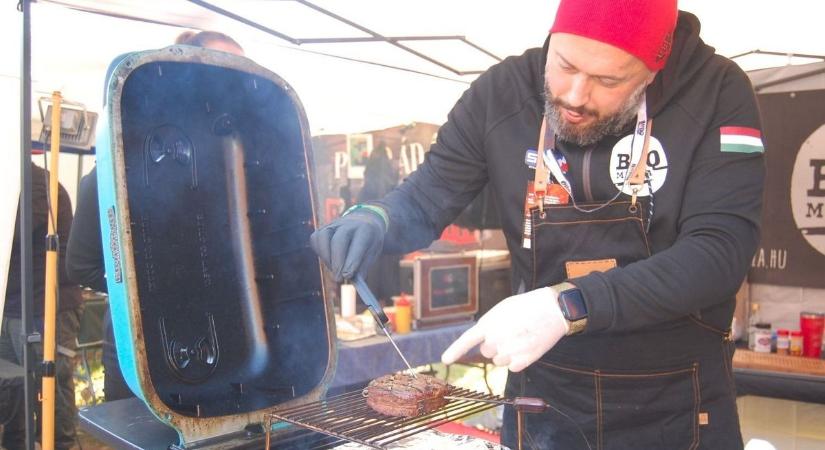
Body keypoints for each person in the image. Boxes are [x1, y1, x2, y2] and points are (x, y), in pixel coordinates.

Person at [310, 1, 765, 448]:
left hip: (676, 403)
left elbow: (718, 253)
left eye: (608, 80)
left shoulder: (716, 92)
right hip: (545, 399)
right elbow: (428, 194)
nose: (574, 95)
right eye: (564, 64)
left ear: (654, 68)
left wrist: (567, 305)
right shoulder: (503, 93)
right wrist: (376, 218)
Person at [65, 30, 244, 401]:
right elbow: (80, 266)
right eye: (221, 68)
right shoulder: (110, 172)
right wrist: (146, 289)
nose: (233, 82)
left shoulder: (230, 163)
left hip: (216, 338)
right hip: (139, 344)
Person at [2, 162, 84, 450]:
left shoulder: (37, 183)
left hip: (45, 307)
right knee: (15, 391)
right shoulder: (18, 182)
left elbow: (10, 232)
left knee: (51, 392)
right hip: (14, 306)